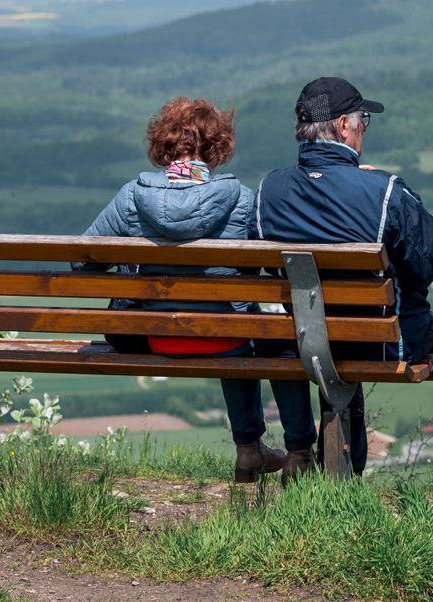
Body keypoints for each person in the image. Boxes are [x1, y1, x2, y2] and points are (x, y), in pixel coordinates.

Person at [252, 77, 433, 527]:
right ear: (345, 127)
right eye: (363, 120)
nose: (364, 128)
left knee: (339, 340)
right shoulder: (383, 192)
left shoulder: (269, 191)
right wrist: (401, 192)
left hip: (306, 340)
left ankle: (349, 483)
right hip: (383, 343)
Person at [73, 97, 317, 483]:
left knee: (240, 324)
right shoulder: (241, 198)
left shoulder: (131, 197)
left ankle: (251, 451)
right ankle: (297, 453)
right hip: (227, 338)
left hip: (156, 337)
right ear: (217, 145)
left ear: (162, 144)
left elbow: (82, 260)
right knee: (265, 334)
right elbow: (278, 265)